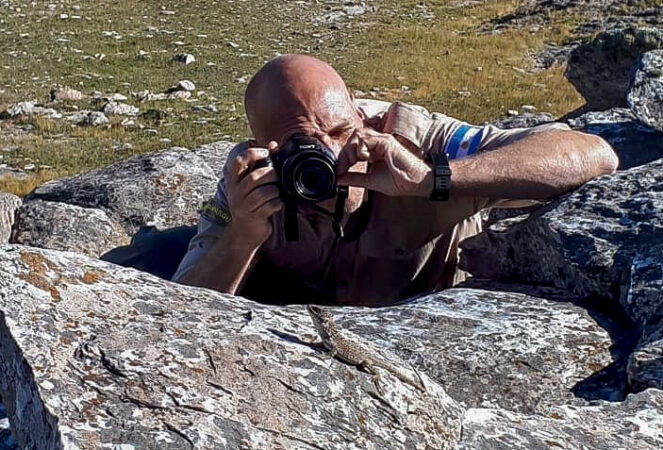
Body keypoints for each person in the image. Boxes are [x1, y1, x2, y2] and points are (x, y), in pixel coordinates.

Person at [172, 54, 619, 306]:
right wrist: (242, 237)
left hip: (431, 330)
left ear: (357, 109)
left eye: (338, 131)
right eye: (299, 144)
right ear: (264, 143)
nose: (327, 154)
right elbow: (179, 311)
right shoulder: (253, 181)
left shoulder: (410, 137)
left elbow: (592, 154)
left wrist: (433, 179)